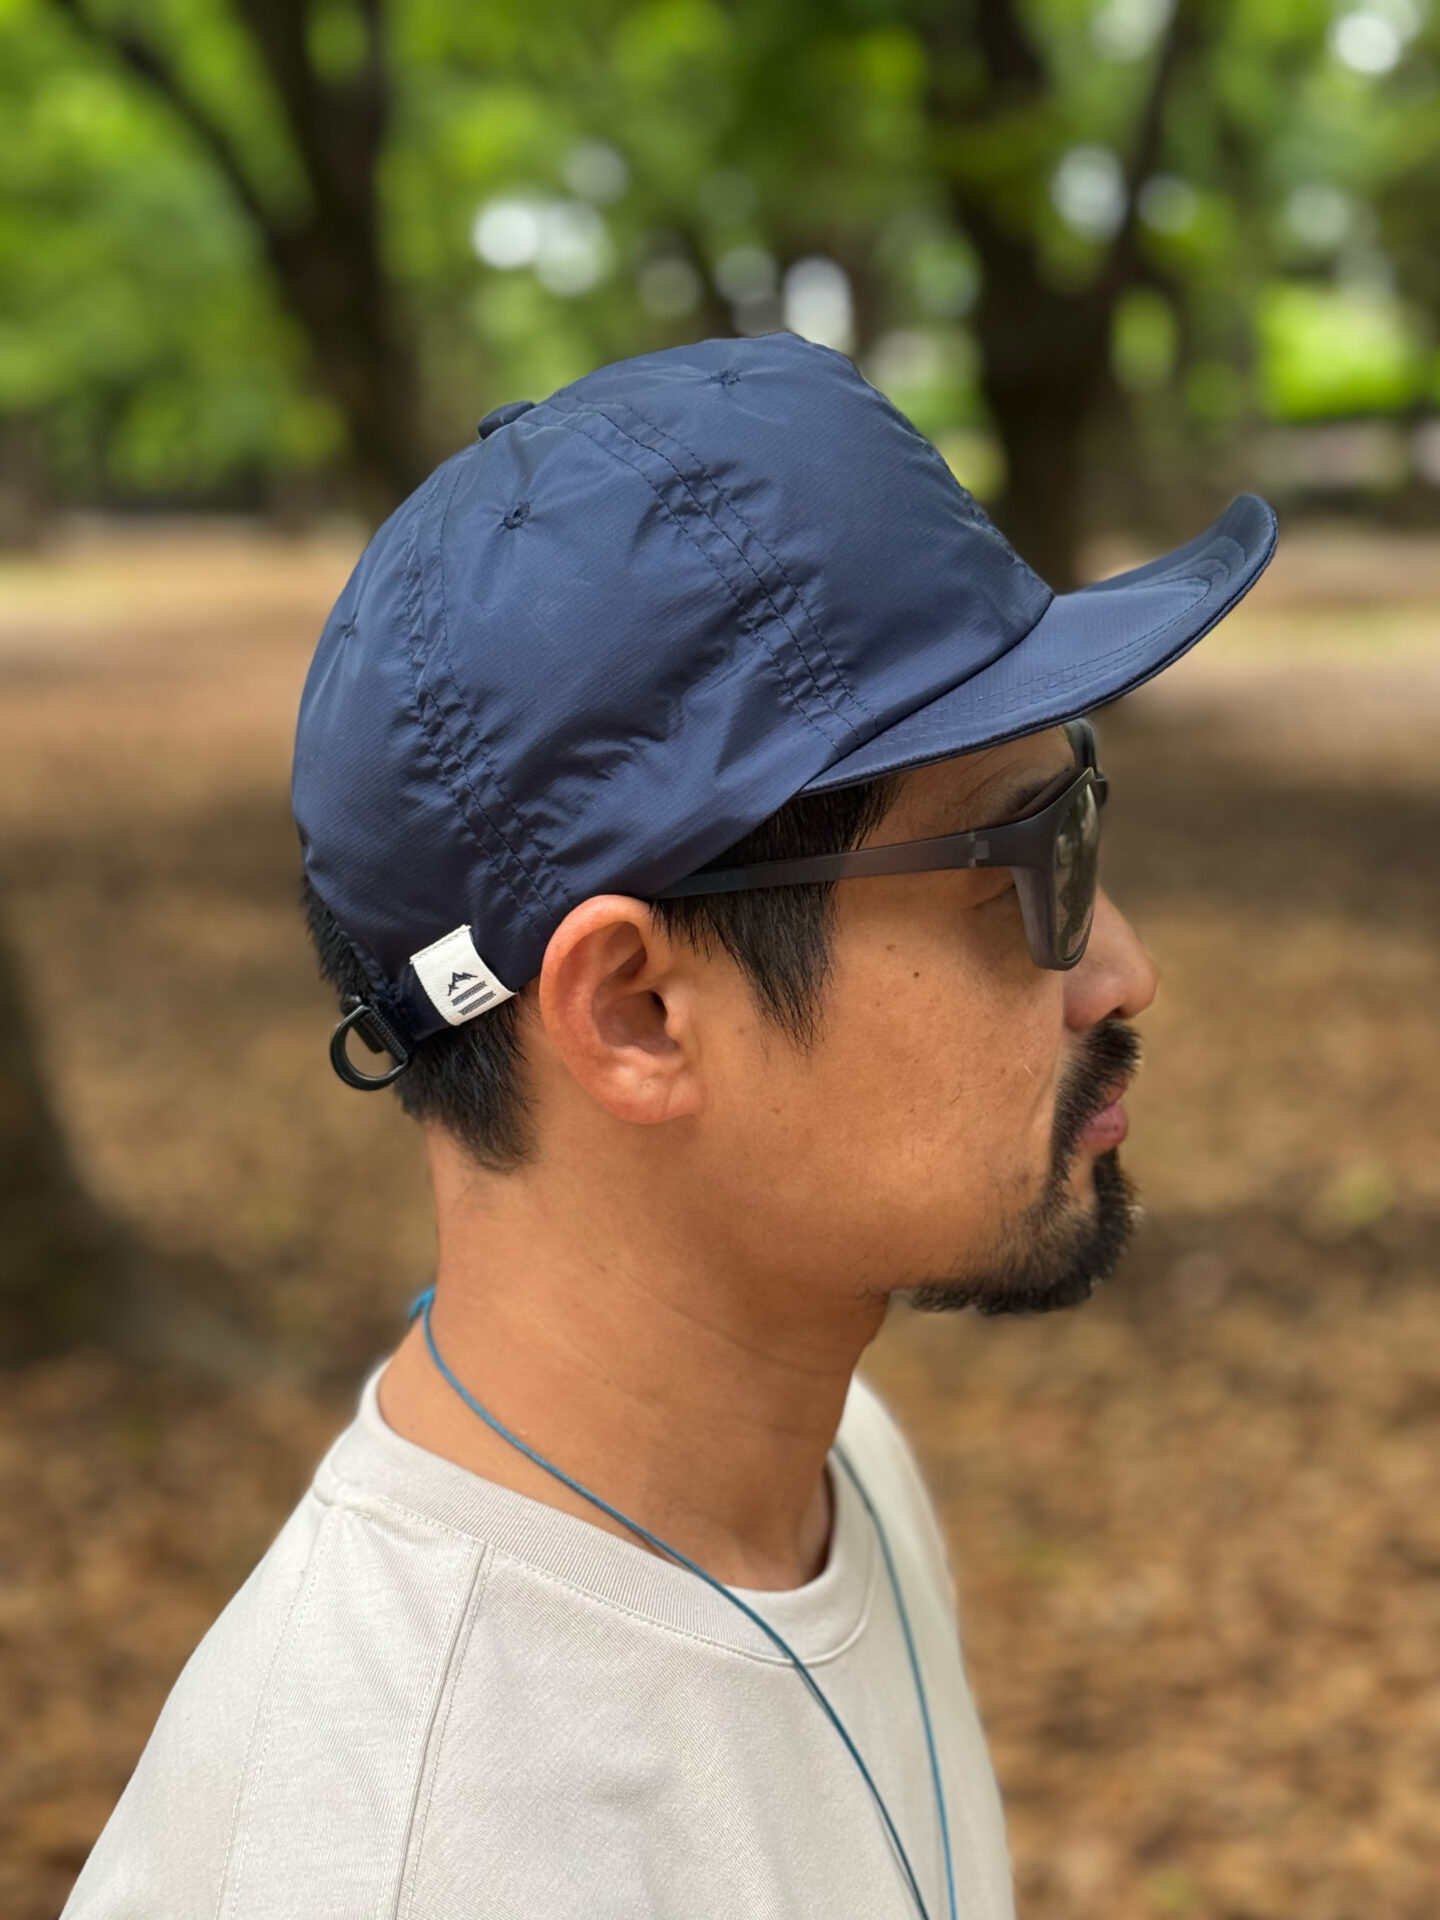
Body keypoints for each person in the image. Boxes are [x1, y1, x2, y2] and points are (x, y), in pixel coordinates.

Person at [61, 333, 1275, 1920]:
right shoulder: (400, 1858)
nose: (1122, 970)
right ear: (636, 1012)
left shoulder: (823, 1469)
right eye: (1019, 864)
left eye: (1082, 815)